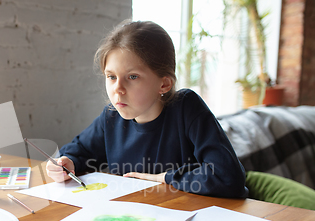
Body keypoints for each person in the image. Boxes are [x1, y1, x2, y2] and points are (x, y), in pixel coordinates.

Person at [47, 20, 248, 198]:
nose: (118, 89)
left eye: (132, 76)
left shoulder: (186, 108)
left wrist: (164, 178)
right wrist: (67, 164)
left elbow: (227, 177)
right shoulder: (111, 116)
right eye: (111, 76)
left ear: (164, 84)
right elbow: (77, 151)